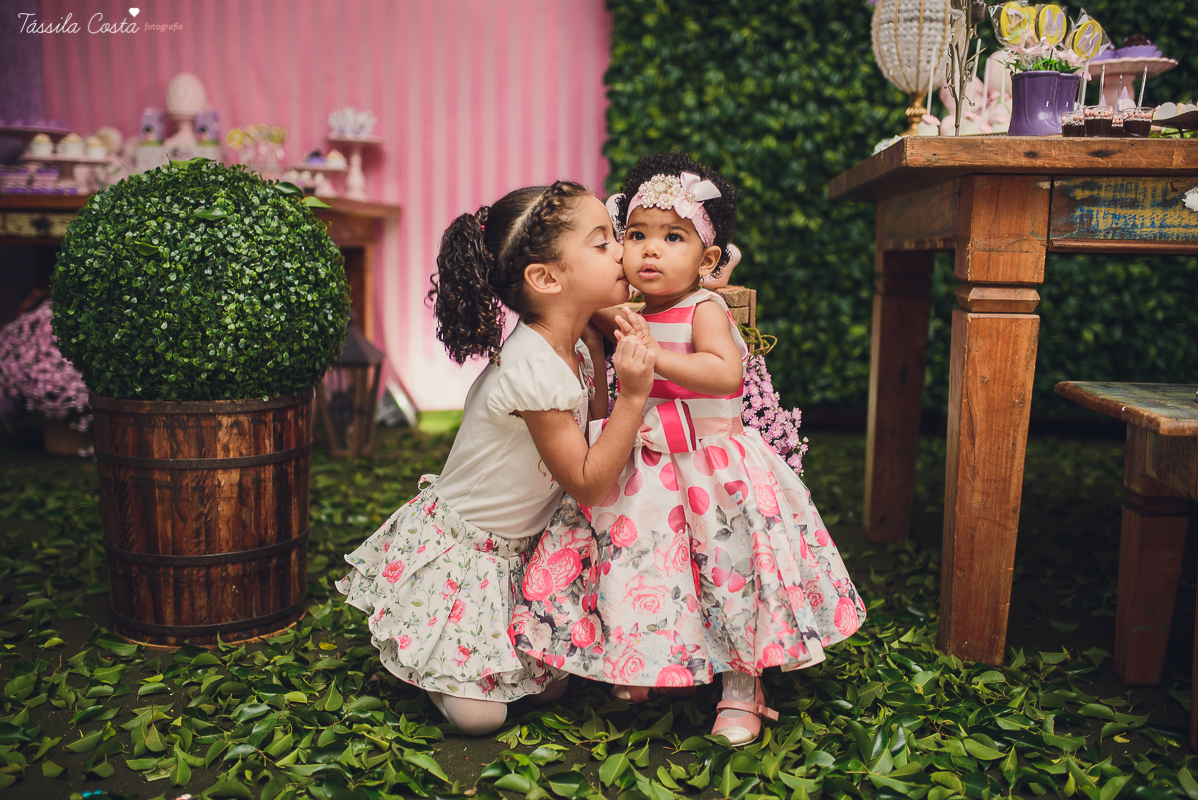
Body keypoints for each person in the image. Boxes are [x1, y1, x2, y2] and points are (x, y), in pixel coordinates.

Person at [510, 154, 866, 746]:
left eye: (673, 238)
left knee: (728, 572)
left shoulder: (705, 309)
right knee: (643, 564)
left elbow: (725, 374)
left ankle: (741, 686)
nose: (650, 251)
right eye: (635, 236)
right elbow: (577, 300)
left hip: (711, 468)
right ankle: (648, 658)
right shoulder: (627, 313)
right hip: (646, 471)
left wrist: (650, 361)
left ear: (706, 261)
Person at [337, 181, 656, 736]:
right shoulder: (532, 366)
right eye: (603, 243)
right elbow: (586, 481)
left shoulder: (573, 343)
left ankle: (469, 661)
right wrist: (634, 394)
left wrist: (601, 343)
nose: (623, 251)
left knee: (554, 685)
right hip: (466, 556)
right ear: (548, 279)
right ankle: (430, 665)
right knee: (481, 718)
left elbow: (595, 428)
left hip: (518, 552)